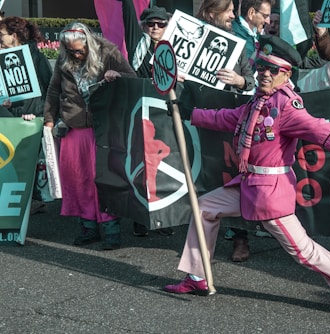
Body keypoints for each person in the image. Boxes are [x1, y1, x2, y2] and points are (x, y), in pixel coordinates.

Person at [164, 34, 330, 322]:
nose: (263, 74)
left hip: (270, 195)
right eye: (261, 67)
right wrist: (191, 113)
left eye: (272, 70)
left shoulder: (287, 106)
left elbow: (322, 130)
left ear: (285, 74)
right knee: (205, 208)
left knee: (305, 253)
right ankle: (197, 275)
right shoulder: (260, 100)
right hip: (249, 185)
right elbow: (230, 118)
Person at [43, 22, 136, 250]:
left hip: (103, 126)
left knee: (105, 178)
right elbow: (54, 90)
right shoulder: (65, 60)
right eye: (70, 50)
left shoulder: (108, 51)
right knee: (78, 179)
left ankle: (112, 230)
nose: (75, 54)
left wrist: (118, 74)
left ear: (89, 43)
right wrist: (48, 118)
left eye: (79, 50)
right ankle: (88, 227)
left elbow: (132, 78)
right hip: (75, 126)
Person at [179, 0, 255, 262]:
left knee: (230, 177)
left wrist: (239, 80)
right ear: (212, 13)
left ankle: (240, 238)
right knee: (204, 178)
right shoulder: (190, 39)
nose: (234, 15)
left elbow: (251, 80)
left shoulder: (237, 46)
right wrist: (177, 78)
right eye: (229, 11)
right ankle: (202, 242)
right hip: (199, 120)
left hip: (228, 122)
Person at [119, 0, 175, 237]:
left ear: (167, 26)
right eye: (150, 24)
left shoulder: (176, 48)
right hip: (141, 114)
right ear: (144, 26)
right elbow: (128, 15)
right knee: (141, 166)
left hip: (166, 114)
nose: (155, 28)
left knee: (168, 166)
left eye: (160, 24)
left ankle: (166, 220)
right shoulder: (138, 47)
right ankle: (141, 219)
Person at [0, 16, 54, 215]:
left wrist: (46, 115)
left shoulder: (36, 56)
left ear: (14, 36)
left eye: (2, 35)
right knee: (14, 159)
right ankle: (27, 201)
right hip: (11, 115)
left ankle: (31, 201)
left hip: (33, 116)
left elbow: (50, 86)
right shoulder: (3, 57)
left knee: (27, 161)